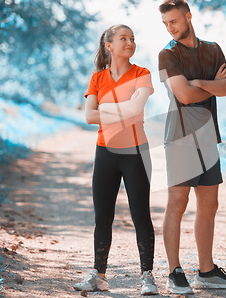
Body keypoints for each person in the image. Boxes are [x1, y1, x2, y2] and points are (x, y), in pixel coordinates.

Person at [157, 0, 226, 295]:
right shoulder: (167, 55)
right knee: (177, 205)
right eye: (166, 23)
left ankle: (206, 271)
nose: (170, 28)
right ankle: (174, 272)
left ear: (188, 17)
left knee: (209, 205)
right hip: (180, 138)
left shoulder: (213, 49)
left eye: (174, 21)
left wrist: (198, 82)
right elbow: (184, 96)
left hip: (208, 138)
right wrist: (209, 83)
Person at [74, 24, 158, 295]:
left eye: (132, 38)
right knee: (102, 218)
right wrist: (121, 109)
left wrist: (105, 108)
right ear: (109, 45)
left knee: (140, 215)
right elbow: (89, 117)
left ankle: (147, 277)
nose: (130, 42)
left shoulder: (142, 74)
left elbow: (136, 108)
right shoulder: (97, 78)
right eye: (123, 38)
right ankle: (98, 275)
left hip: (136, 151)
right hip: (105, 152)